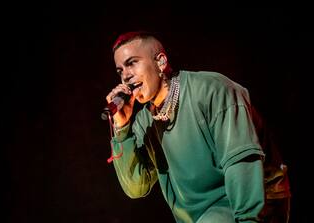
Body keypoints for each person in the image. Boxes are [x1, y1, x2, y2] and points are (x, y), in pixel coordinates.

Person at [103, 31, 291, 223]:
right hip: (200, 217)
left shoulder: (212, 90)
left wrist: (248, 219)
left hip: (249, 205)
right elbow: (136, 187)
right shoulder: (146, 122)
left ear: (160, 62)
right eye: (120, 71)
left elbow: (241, 162)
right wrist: (123, 128)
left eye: (132, 63)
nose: (125, 76)